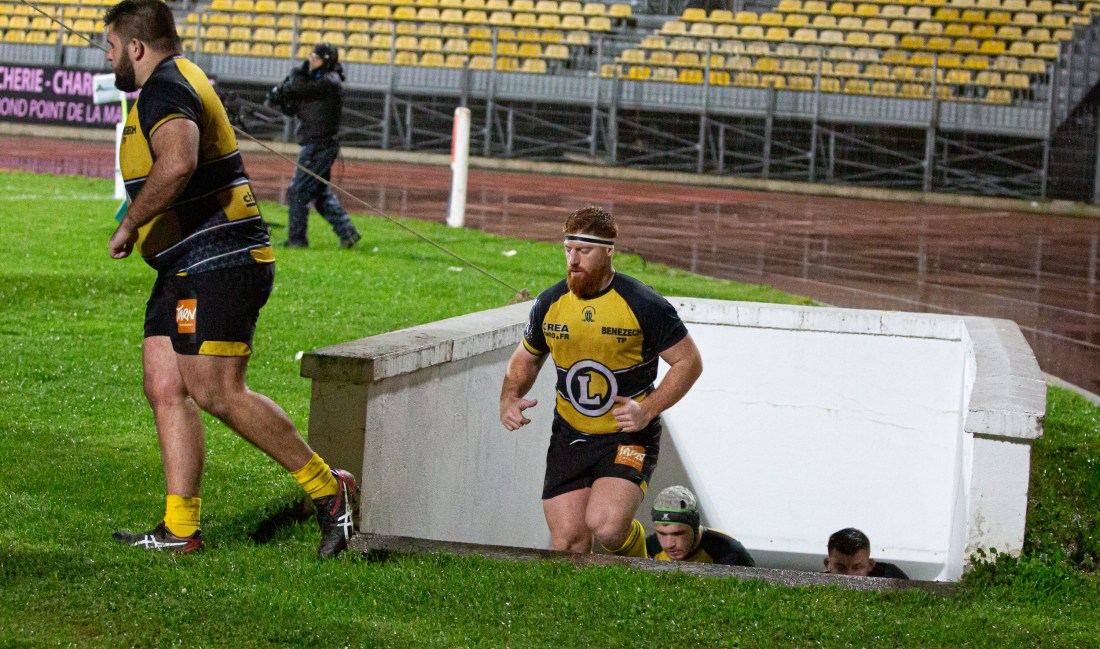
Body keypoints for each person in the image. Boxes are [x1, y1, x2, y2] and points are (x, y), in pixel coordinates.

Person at [103, 0, 357, 558]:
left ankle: (328, 489)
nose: (108, 56)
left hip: (217, 260)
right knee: (164, 385)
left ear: (136, 47)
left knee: (216, 390)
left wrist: (131, 223)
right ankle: (181, 529)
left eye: (111, 46)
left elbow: (178, 161)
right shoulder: (176, 78)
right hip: (184, 264)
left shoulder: (166, 86)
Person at [500, 206, 703, 558]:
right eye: (568, 250)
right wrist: (509, 397)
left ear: (609, 250)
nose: (573, 260)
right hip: (570, 434)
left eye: (584, 250)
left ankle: (646, 570)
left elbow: (689, 362)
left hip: (627, 435)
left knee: (606, 526)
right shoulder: (550, 302)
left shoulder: (644, 304)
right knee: (567, 542)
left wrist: (648, 409)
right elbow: (527, 357)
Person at [278, 42, 361, 249]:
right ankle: (348, 232)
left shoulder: (329, 81)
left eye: (316, 57)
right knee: (318, 192)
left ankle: (296, 240)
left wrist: (296, 74)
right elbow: (297, 101)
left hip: (319, 145)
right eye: (311, 56)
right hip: (317, 143)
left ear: (326, 61)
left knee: (298, 191)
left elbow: (301, 88)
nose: (311, 61)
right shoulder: (321, 81)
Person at [645, 485, 755, 566]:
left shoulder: (729, 552)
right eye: (662, 534)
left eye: (678, 534)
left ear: (695, 528)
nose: (669, 544)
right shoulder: (648, 549)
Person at [824, 528, 910, 579]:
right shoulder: (819, 585)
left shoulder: (891, 576)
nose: (849, 576)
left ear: (870, 565)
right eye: (840, 568)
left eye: (857, 567)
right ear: (828, 564)